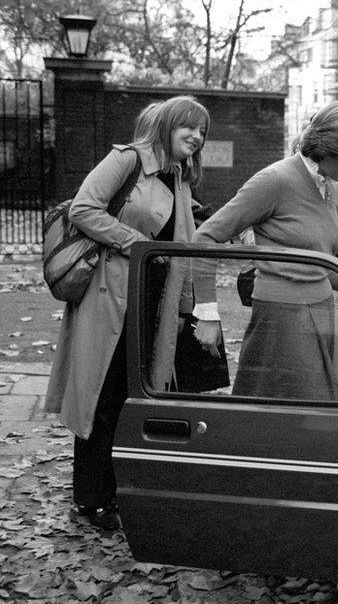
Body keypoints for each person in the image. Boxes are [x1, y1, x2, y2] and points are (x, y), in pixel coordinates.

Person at [45, 95, 210, 531]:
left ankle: (119, 489)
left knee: (130, 396)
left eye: (201, 131)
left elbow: (183, 245)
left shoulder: (180, 178)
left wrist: (191, 306)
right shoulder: (127, 160)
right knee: (101, 392)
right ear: (168, 126)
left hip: (152, 299)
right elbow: (83, 209)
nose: (195, 136)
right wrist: (132, 242)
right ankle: (92, 498)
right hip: (109, 294)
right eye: (188, 127)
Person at [191, 98, 338, 400]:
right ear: (334, 148)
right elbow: (205, 238)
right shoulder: (275, 180)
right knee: (292, 419)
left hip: (322, 310)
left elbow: (323, 258)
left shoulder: (331, 186)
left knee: (318, 410)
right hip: (281, 318)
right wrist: (207, 313)